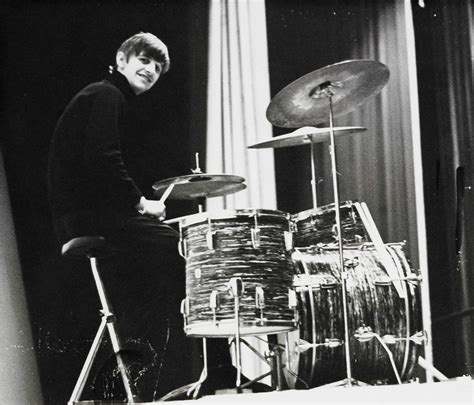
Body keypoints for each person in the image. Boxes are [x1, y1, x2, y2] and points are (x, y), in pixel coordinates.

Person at [47, 32, 196, 401]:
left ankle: (152, 383)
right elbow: (102, 160)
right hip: (90, 217)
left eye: (158, 67)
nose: (150, 70)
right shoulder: (107, 95)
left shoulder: (105, 96)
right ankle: (197, 370)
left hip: (84, 217)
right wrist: (143, 204)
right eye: (144, 60)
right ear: (122, 59)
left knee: (152, 278)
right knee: (187, 254)